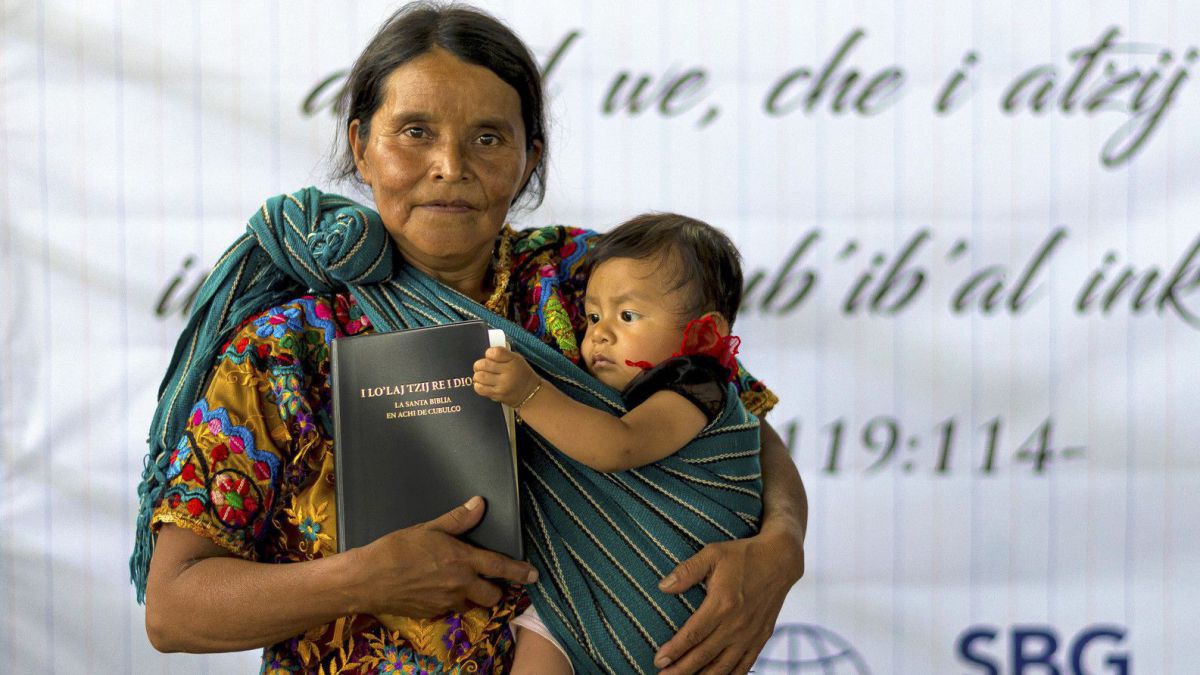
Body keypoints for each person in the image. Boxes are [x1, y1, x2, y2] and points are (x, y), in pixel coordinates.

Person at [134, 3, 807, 674]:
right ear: (362, 146)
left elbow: (734, 425)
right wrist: (361, 579)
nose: (450, 164)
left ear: (528, 157)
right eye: (415, 132)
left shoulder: (585, 286)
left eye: (488, 137)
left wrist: (781, 547)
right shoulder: (284, 350)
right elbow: (174, 608)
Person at [474, 213, 762, 674]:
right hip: (580, 592)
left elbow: (619, 447)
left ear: (704, 336)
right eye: (592, 316)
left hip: (659, 595)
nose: (599, 333)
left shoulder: (696, 385)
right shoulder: (614, 390)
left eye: (627, 316)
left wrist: (529, 394)